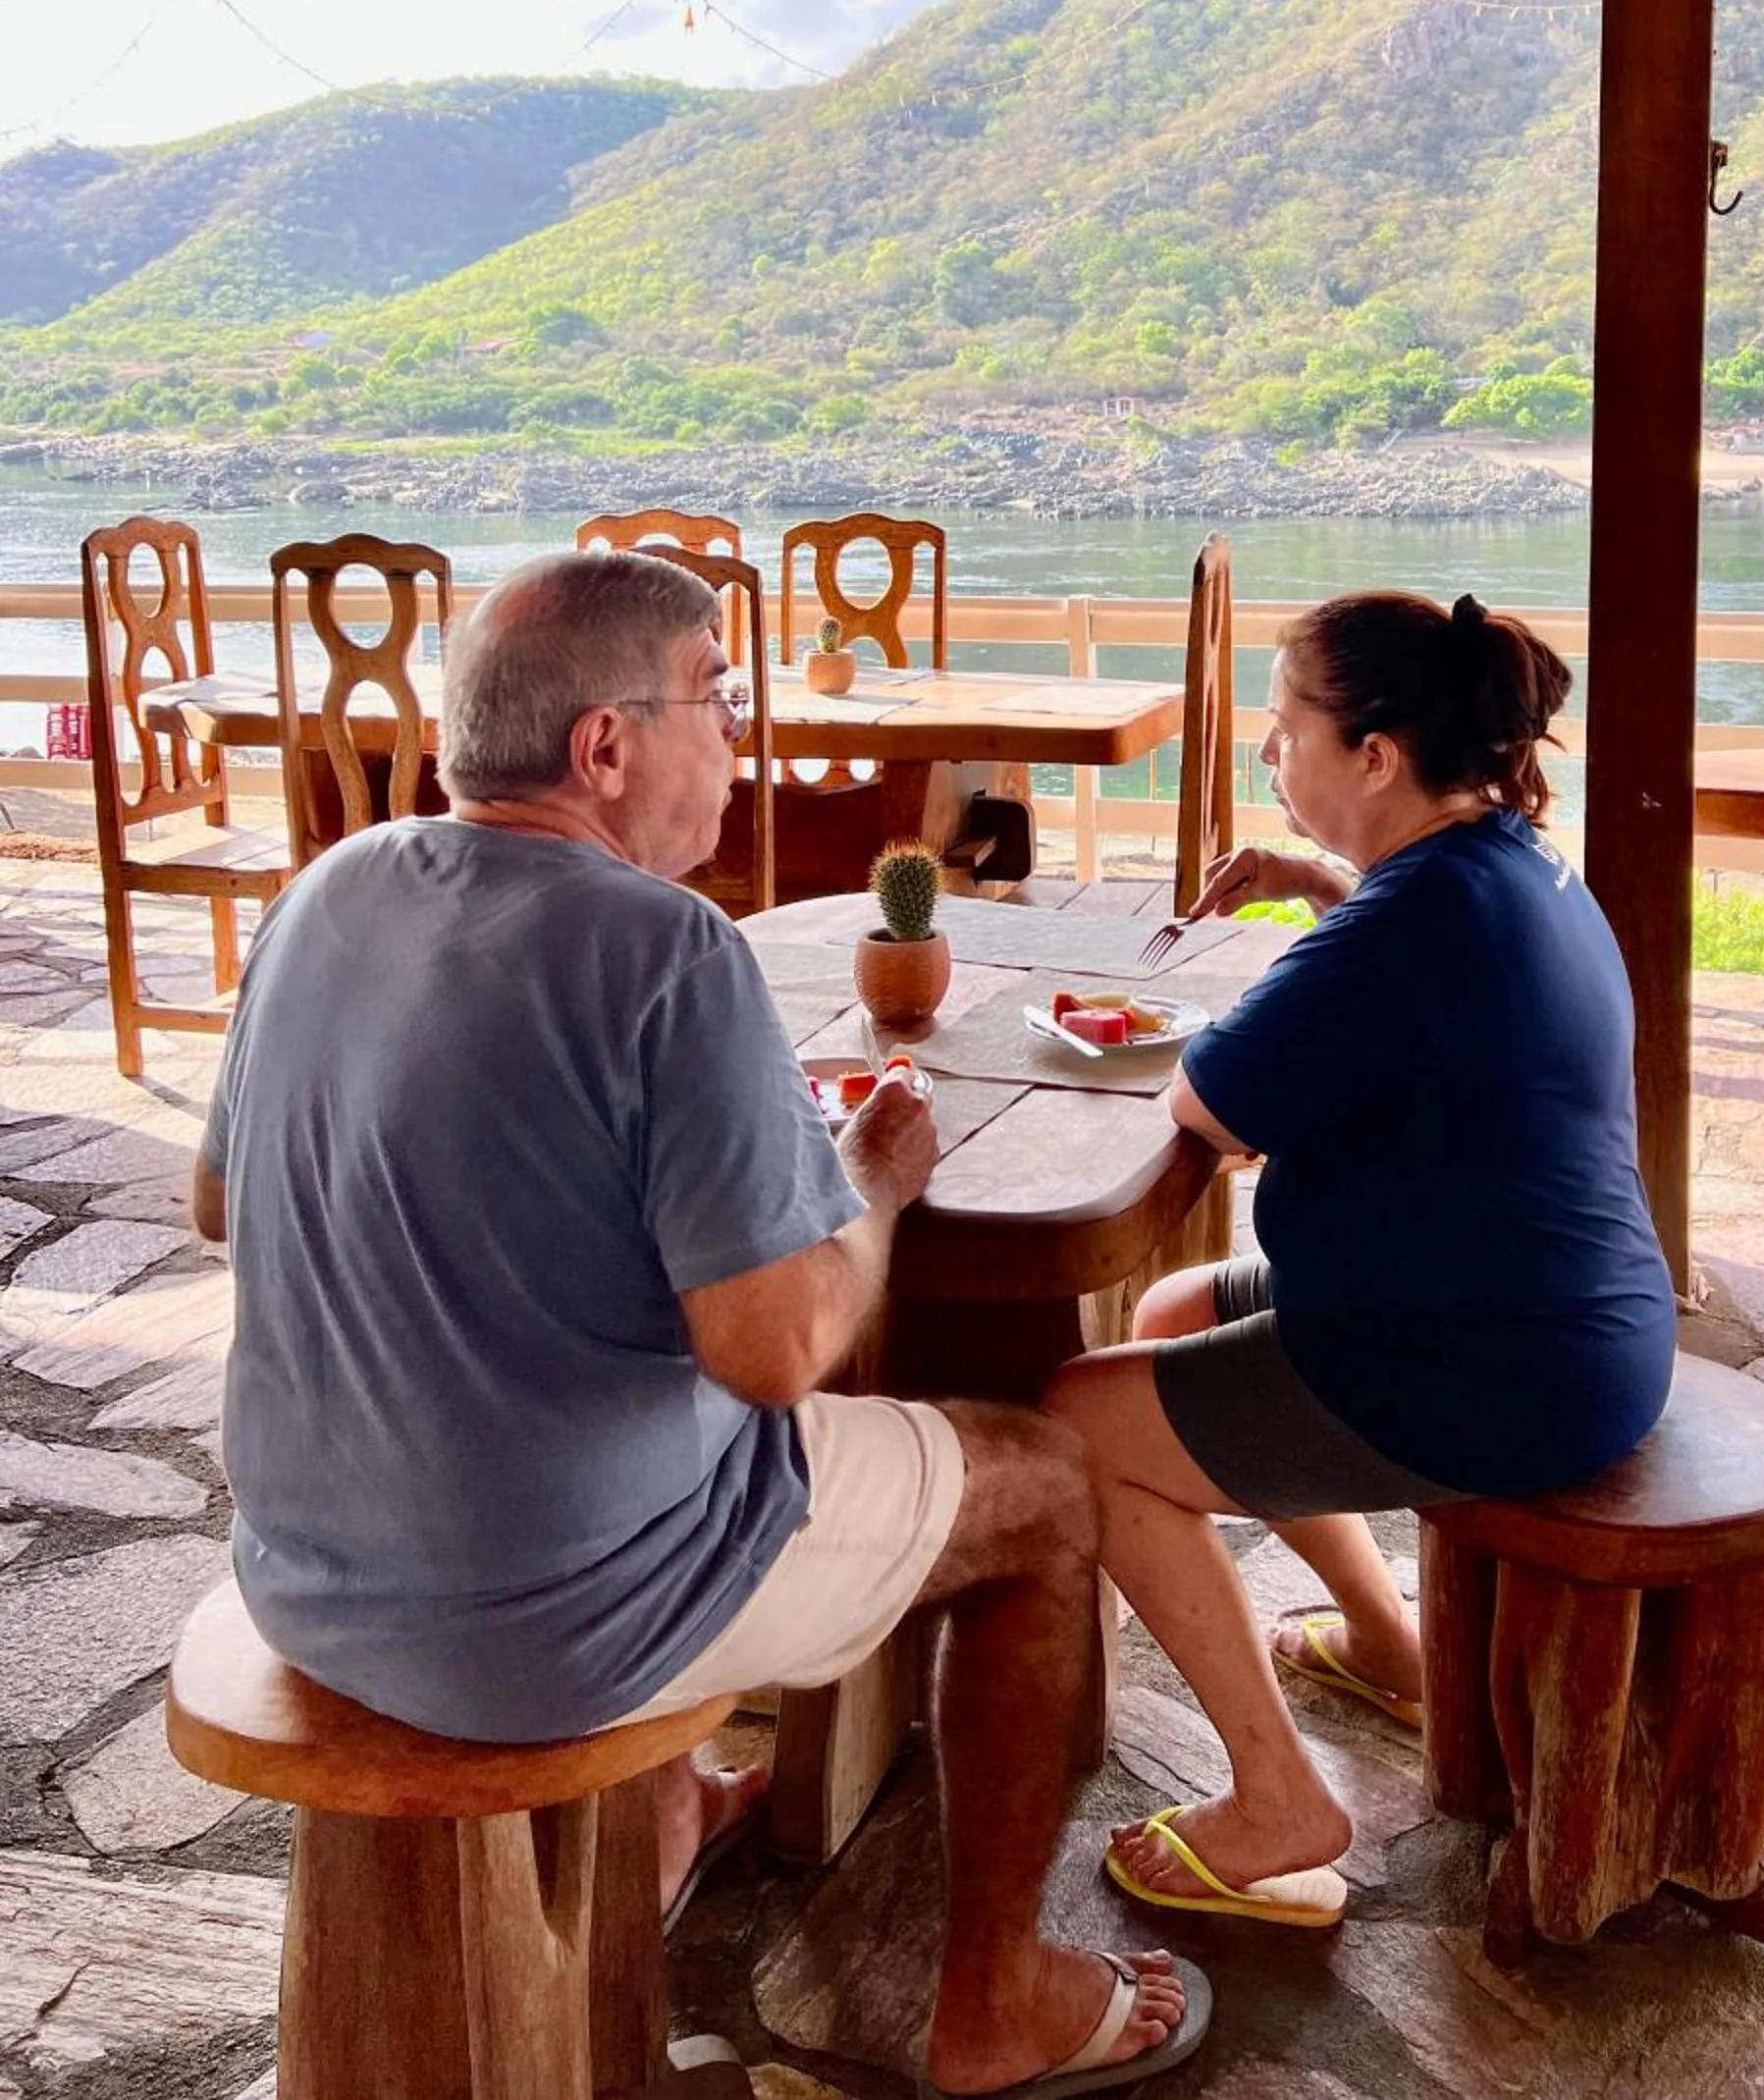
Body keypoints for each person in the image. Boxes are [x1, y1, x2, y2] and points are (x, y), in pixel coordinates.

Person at [192, 549, 1205, 2099]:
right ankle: (993, 1999)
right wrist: (868, 1185)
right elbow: (775, 1351)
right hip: (538, 1627)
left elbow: (218, 1205)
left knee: (610, 1396)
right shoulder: (666, 951)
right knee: (1041, 1484)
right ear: (605, 748)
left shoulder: (330, 889)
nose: (740, 736)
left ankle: (670, 1809)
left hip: (306, 1567)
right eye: (717, 699)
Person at [1045, 588, 1676, 1927]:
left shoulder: (1402, 929)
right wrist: (1320, 884)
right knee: (1170, 1311)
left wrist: (1320, 937)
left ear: (1375, 756)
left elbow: (1203, 1111)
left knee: (1077, 1427)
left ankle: (1276, 1795)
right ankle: (1389, 1647)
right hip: (1539, 1308)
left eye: (1284, 731)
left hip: (1493, 1361)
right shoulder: (1498, 861)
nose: (1270, 757)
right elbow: (1416, 989)